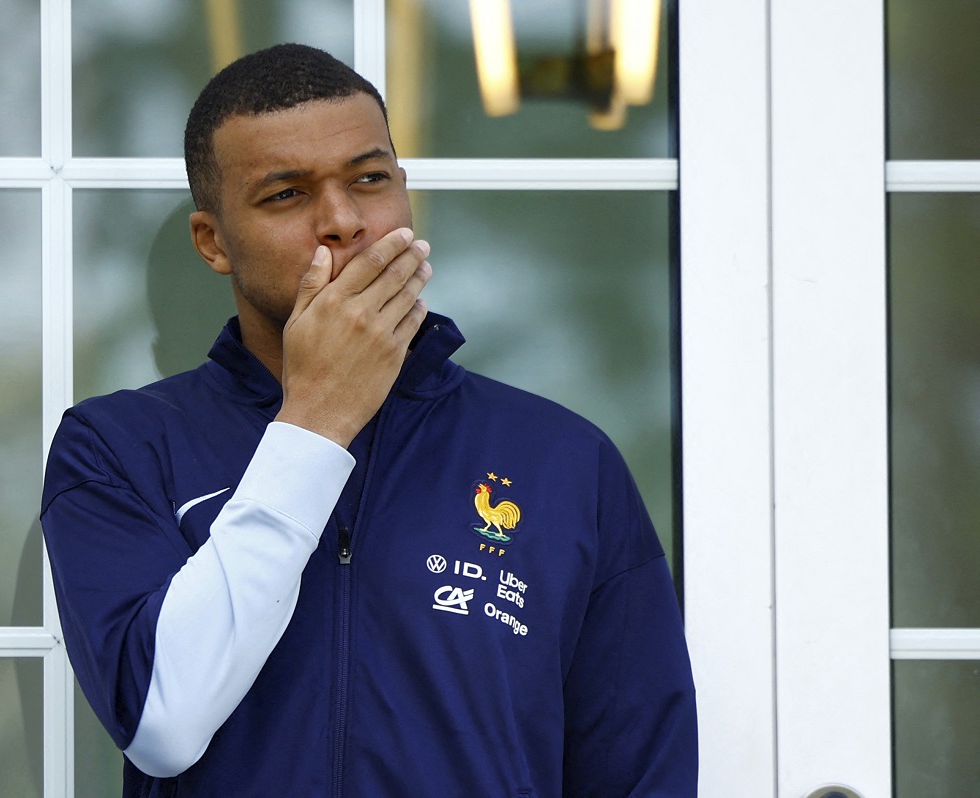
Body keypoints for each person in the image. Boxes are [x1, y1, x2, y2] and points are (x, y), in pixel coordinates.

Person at [41, 43, 697, 798]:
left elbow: (640, 772)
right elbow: (164, 721)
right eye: (286, 195)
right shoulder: (118, 449)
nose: (343, 220)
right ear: (213, 241)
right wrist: (315, 421)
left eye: (369, 179)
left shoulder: (562, 460)